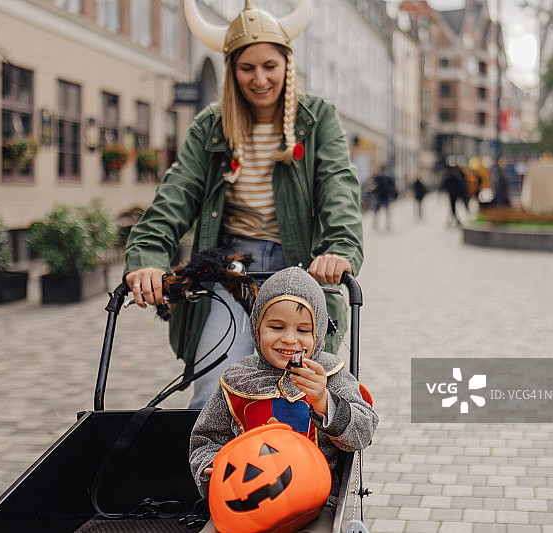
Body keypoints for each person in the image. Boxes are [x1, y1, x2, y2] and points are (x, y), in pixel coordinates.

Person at [123, 0, 364, 408]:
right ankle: (210, 465)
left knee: (298, 384)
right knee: (214, 382)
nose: (259, 79)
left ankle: (294, 463)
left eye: (269, 65)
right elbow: (175, 195)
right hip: (233, 268)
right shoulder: (211, 125)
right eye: (246, 67)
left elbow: (338, 187)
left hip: (296, 267)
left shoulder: (317, 118)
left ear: (287, 64)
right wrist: (147, 255)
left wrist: (339, 249)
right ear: (231, 71)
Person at [189, 267, 378, 532]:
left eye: (303, 330)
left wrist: (325, 402)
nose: (289, 339)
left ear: (318, 333)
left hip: (316, 502)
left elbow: (363, 433)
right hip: (245, 500)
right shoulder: (237, 379)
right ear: (257, 327)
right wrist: (210, 467)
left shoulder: (331, 375)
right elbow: (205, 438)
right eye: (276, 327)